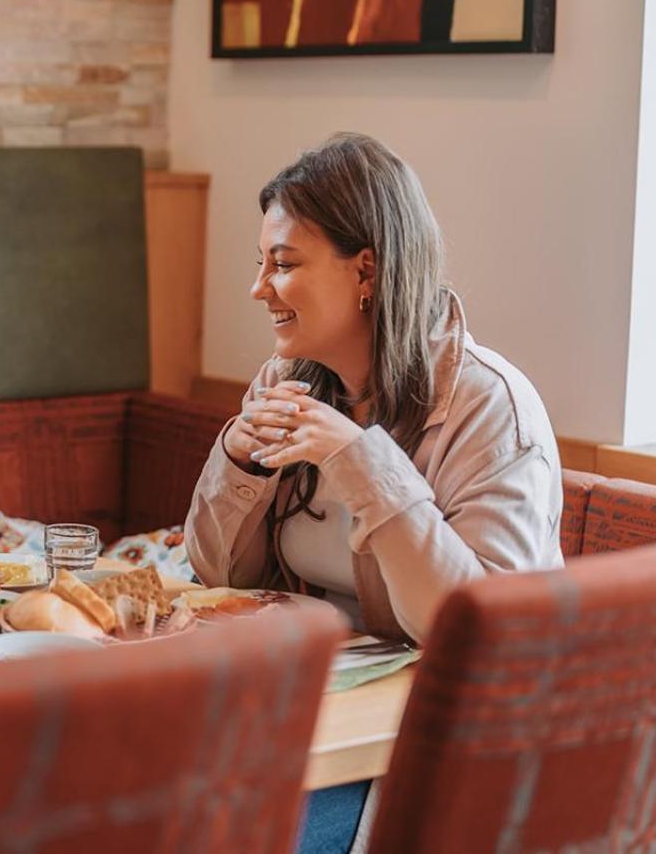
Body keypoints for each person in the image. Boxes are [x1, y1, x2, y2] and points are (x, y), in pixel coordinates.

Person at [183, 133, 563, 854]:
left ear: (368, 270)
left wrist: (366, 465)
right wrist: (238, 458)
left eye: (284, 263)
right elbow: (219, 579)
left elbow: (482, 637)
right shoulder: (285, 379)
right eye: (260, 263)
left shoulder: (491, 410)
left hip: (439, 748)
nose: (258, 287)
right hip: (306, 724)